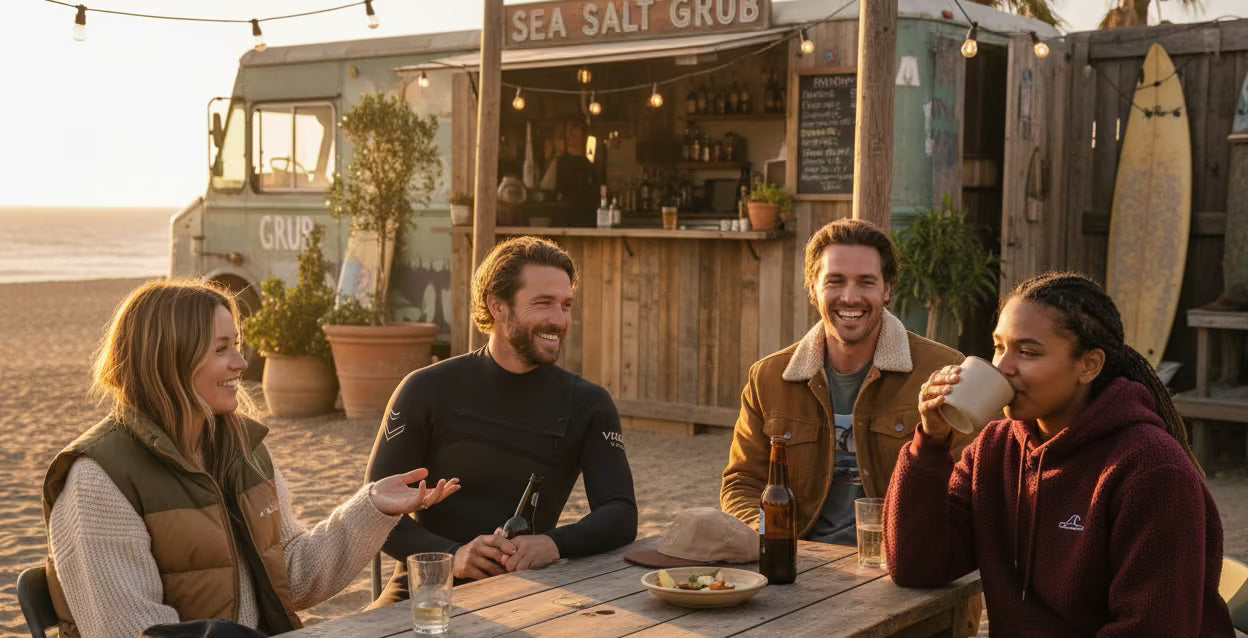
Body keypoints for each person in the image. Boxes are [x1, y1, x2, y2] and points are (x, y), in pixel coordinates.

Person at [42, 279, 460, 637]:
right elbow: (132, 630)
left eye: (237, 345)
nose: (242, 363)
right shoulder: (98, 481)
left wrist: (371, 509)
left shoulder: (242, 450)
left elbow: (293, 580)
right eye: (221, 349)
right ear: (168, 360)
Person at [886, 272, 1234, 635]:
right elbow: (918, 565)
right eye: (999, 346)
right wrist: (929, 440)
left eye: (1027, 352)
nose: (1003, 367)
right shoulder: (995, 448)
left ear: (1089, 365)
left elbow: (1151, 629)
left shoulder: (1152, 469)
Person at [366, 235, 637, 606]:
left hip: (526, 590)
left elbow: (620, 513)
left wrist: (553, 544)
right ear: (497, 305)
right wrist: (454, 555)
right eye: (543, 303)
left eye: (566, 305)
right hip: (425, 590)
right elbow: (374, 511)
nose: (558, 320)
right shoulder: (426, 389)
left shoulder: (588, 404)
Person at [721, 218, 970, 545]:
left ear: (887, 290)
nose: (850, 298)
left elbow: (969, 484)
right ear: (812, 289)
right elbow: (743, 482)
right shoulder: (768, 377)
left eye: (866, 282)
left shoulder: (943, 370)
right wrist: (772, 539)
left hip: (900, 565)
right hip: (797, 562)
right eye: (835, 281)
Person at [539, 119, 598, 225]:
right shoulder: (559, 163)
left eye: (580, 135)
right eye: (573, 135)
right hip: (564, 218)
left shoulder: (590, 166)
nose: (577, 139)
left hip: (587, 218)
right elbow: (546, 187)